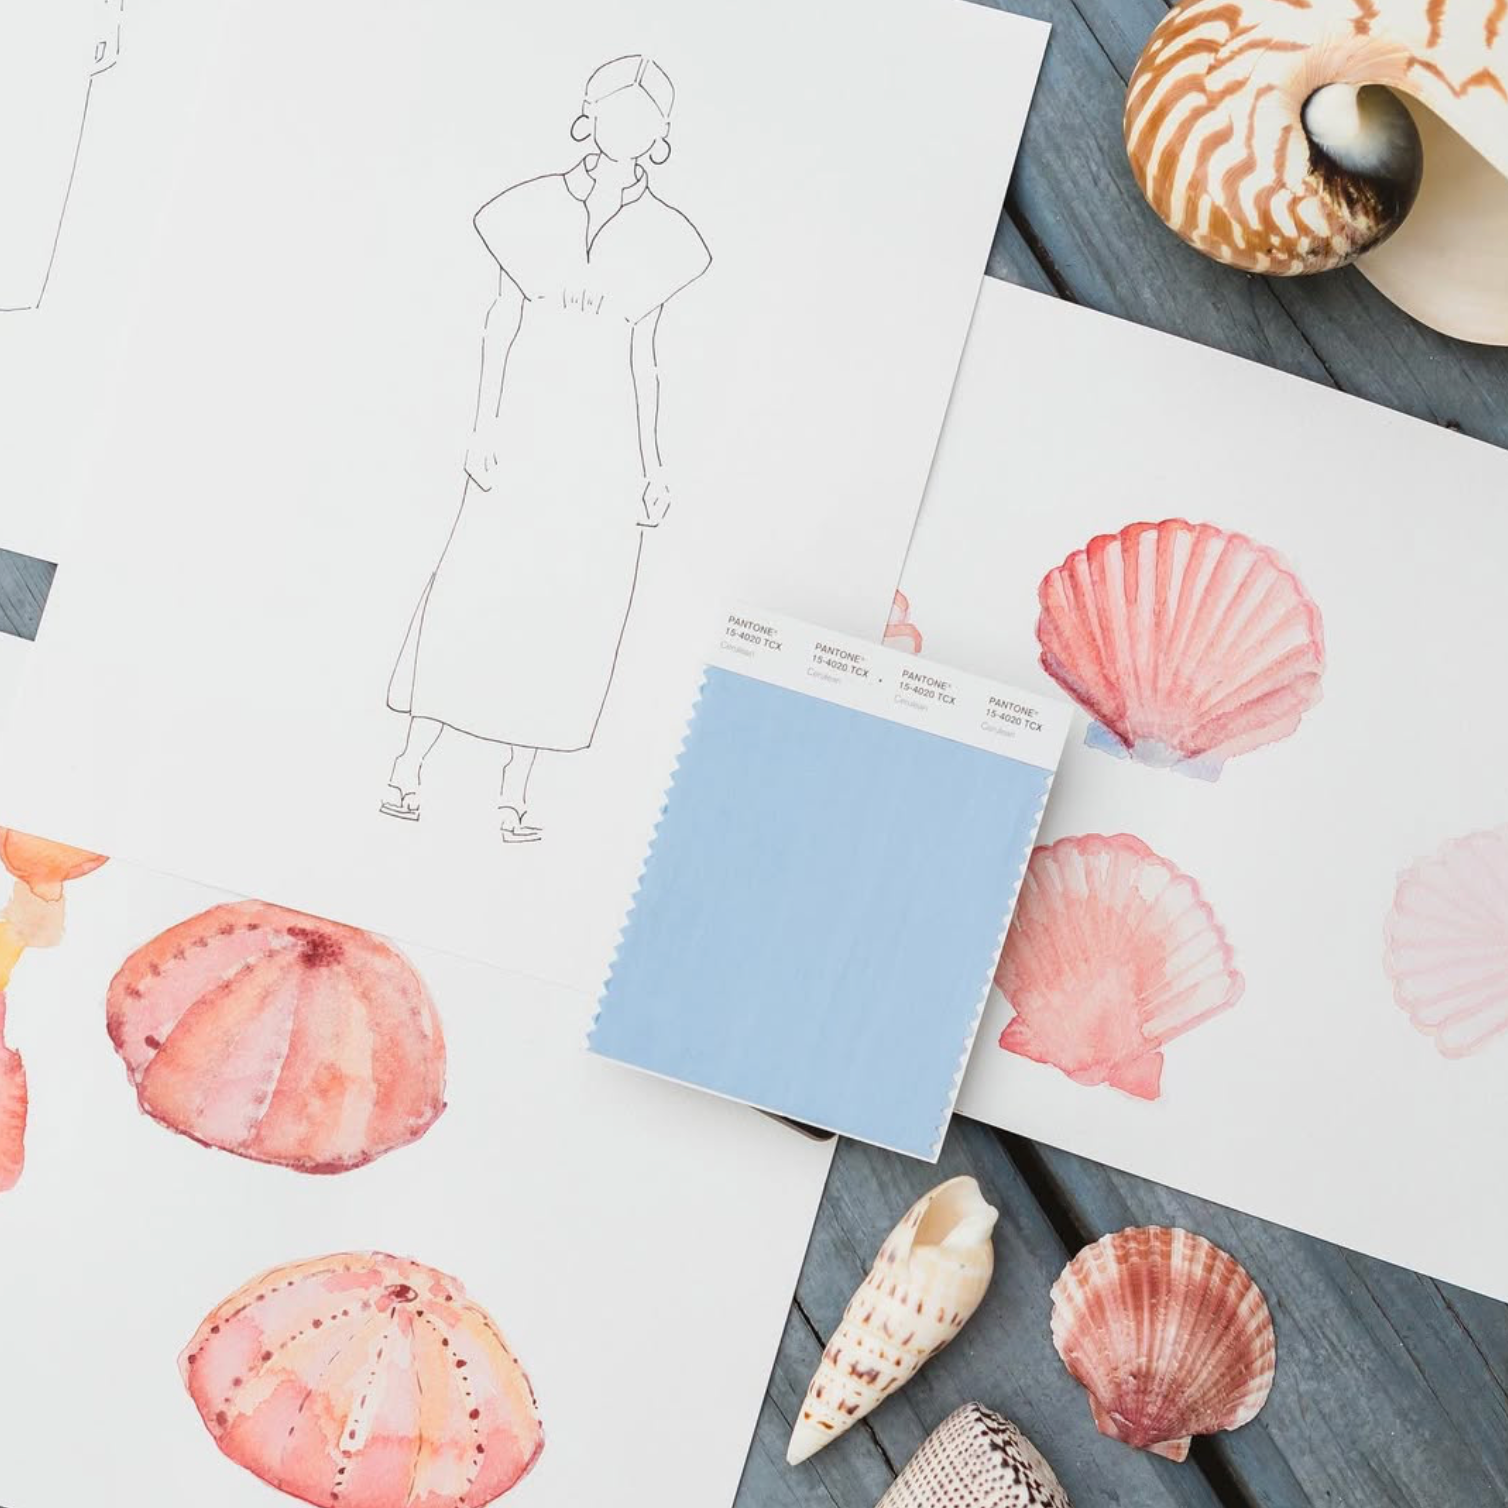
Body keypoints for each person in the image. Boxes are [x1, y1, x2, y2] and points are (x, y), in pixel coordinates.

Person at [383, 54, 710, 842]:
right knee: (471, 584)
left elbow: (646, 358)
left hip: (603, 450)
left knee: (570, 609)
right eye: (615, 110)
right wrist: (484, 425)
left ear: (662, 135)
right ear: (587, 117)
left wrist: (653, 466)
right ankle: (409, 764)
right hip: (522, 431)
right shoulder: (527, 208)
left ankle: (516, 789)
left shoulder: (669, 238)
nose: (627, 128)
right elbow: (500, 322)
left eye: (644, 118)